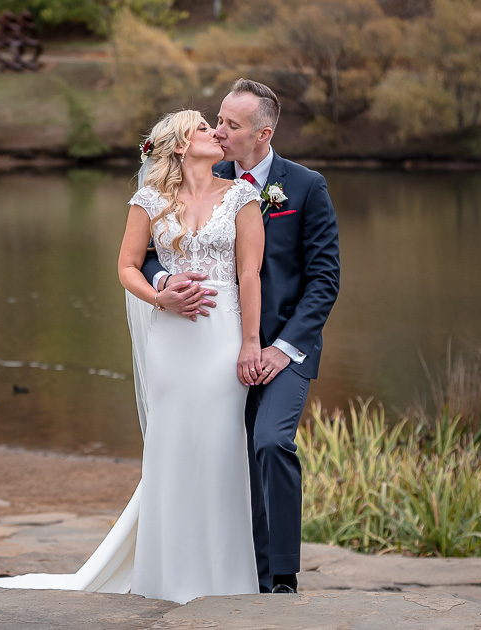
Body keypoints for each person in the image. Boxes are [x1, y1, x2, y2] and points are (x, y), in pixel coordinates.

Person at [0, 109, 266, 604]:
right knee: (171, 450)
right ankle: (167, 582)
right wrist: (161, 298)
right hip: (173, 339)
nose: (215, 133)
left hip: (223, 337)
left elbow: (250, 274)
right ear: (179, 145)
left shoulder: (242, 196)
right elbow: (127, 266)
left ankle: (227, 583)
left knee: (222, 450)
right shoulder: (149, 200)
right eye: (203, 127)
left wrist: (250, 342)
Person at [143, 79, 341, 594]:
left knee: (271, 442)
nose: (220, 130)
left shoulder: (305, 187)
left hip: (283, 348)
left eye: (231, 124)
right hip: (219, 345)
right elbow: (150, 247)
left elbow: (324, 281)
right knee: (224, 451)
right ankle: (241, 573)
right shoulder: (206, 175)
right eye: (219, 120)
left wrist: (279, 348)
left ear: (263, 133)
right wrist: (164, 283)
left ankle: (282, 576)